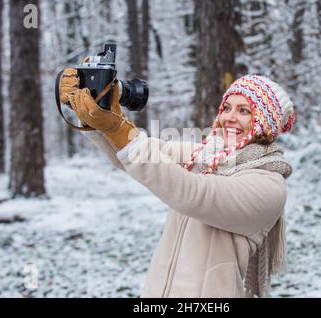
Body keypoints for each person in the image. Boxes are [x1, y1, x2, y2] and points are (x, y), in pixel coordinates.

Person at [59, 69, 296, 298]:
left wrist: (118, 129)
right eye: (226, 107)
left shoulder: (268, 184)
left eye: (244, 111)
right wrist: (94, 116)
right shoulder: (205, 156)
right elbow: (142, 154)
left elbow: (194, 194)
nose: (229, 117)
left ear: (266, 122)